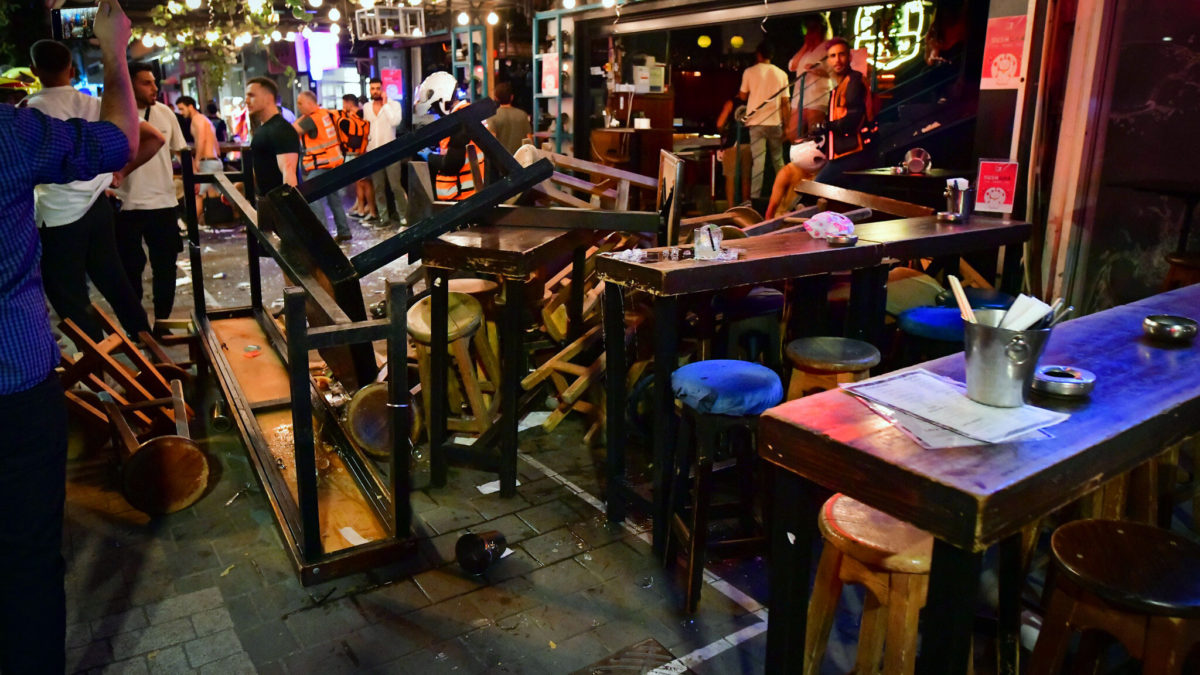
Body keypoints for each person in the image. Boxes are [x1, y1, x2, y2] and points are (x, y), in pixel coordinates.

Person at [0, 2, 139, 672]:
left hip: (61, 243)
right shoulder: (12, 134)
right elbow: (122, 141)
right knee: (27, 559)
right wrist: (114, 56)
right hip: (17, 379)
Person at [24, 39, 161, 341]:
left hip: (57, 214)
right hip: (98, 206)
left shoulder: (31, 111)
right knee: (114, 280)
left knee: (68, 294)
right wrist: (120, 173)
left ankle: (97, 364)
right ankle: (146, 342)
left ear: (34, 70)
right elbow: (154, 137)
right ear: (72, 70)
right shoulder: (94, 104)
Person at [113, 61, 187, 325]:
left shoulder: (165, 113)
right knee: (130, 269)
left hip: (163, 203)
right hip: (126, 204)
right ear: (128, 84)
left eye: (154, 82)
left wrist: (190, 185)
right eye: (146, 82)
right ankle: (138, 327)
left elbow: (181, 151)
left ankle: (163, 323)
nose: (154, 87)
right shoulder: (114, 113)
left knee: (165, 267)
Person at [813, 37, 874, 184]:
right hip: (844, 155)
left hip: (853, 155)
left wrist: (825, 126)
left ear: (850, 57)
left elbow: (851, 120)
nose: (837, 60)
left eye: (842, 54)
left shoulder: (853, 81)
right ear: (828, 60)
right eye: (832, 56)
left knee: (815, 189)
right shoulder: (840, 86)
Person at [293, 90, 351, 241]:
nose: (298, 106)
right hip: (334, 162)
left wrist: (301, 118)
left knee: (309, 194)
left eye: (300, 103)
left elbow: (293, 131)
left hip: (322, 164)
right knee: (334, 198)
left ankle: (323, 235)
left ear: (311, 104)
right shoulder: (323, 114)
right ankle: (344, 231)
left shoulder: (311, 119)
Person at [739, 41, 789, 200]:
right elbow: (785, 102)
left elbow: (743, 96)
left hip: (756, 123)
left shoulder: (749, 72)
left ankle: (754, 198)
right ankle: (784, 195)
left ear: (758, 54)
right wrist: (787, 126)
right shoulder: (782, 74)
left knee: (758, 162)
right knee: (778, 161)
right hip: (775, 122)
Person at [245, 76, 299, 198]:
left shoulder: (282, 129)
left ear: (269, 98)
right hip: (265, 204)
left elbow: (288, 171)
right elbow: (260, 167)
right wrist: (239, 187)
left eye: (252, 95)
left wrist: (288, 209)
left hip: (277, 207)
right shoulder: (263, 129)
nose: (247, 100)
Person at [363, 76, 407, 227]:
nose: (375, 91)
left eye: (377, 88)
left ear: (382, 89)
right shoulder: (367, 107)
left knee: (395, 185)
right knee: (378, 187)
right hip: (374, 152)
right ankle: (384, 217)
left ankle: (403, 215)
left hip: (391, 150)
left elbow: (396, 122)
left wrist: (385, 104)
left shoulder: (394, 105)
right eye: (372, 89)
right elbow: (366, 129)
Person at [175, 95, 223, 223]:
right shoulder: (205, 119)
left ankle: (188, 224)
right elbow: (215, 143)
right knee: (214, 194)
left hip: (207, 161)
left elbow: (202, 139)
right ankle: (205, 222)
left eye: (182, 109)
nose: (181, 112)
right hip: (214, 160)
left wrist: (196, 161)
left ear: (190, 106)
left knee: (198, 195)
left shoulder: (197, 119)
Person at [786, 14, 833, 141]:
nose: (809, 32)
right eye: (807, 29)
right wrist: (806, 46)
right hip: (799, 99)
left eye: (812, 28)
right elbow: (792, 66)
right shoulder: (806, 50)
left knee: (815, 136)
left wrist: (816, 71)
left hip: (817, 98)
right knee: (793, 134)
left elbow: (834, 72)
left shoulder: (828, 47)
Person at [340, 93, 376, 221]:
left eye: (344, 103)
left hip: (362, 153)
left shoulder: (358, 115)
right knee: (359, 182)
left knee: (365, 183)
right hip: (358, 153)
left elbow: (359, 136)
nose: (343, 106)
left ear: (349, 103)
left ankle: (371, 211)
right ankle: (361, 209)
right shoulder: (355, 116)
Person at [715, 88, 751, 207]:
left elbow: (720, 123)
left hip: (733, 144)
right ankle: (746, 207)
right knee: (746, 177)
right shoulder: (753, 102)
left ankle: (731, 208)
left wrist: (724, 130)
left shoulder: (731, 103)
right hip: (750, 143)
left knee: (730, 176)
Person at [486, 82, 531, 154]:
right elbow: (529, 140)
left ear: (496, 98)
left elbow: (492, 142)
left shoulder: (492, 116)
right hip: (521, 160)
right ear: (512, 97)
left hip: (501, 161)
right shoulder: (523, 115)